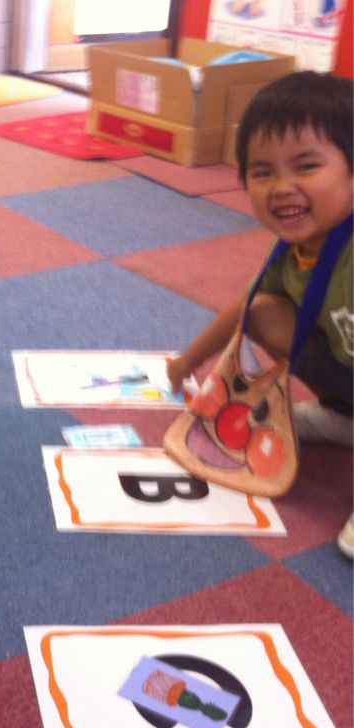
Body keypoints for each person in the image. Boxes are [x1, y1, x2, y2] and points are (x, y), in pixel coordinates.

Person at [165, 70, 353, 559]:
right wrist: (188, 361)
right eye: (263, 172)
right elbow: (244, 310)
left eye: (306, 166)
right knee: (266, 311)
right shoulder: (293, 251)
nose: (282, 187)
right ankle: (346, 418)